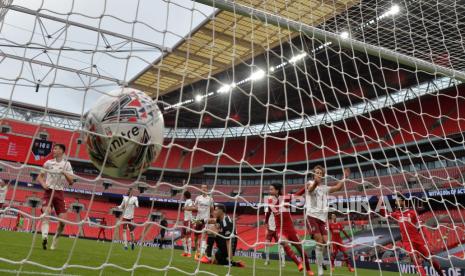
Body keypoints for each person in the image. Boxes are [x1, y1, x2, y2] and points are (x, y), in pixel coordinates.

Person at [296, 166, 351, 276]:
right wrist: (316, 183)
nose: (318, 174)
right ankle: (320, 268)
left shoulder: (325, 188)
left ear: (323, 175)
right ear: (314, 174)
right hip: (311, 216)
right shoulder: (309, 183)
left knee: (327, 244)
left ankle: (319, 259)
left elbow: (338, 187)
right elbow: (310, 189)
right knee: (319, 241)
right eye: (317, 172)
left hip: (322, 219)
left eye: (320, 173)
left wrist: (344, 177)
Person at [380, 192, 444, 276]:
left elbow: (420, 224)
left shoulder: (412, 212)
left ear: (403, 202)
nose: (396, 202)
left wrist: (425, 238)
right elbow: (385, 214)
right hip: (407, 242)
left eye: (398, 201)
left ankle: (441, 274)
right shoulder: (397, 214)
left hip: (418, 241)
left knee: (431, 260)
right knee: (415, 261)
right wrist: (380, 201)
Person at [266, 183, 313, 276]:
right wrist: (266, 222)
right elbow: (268, 212)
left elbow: (297, 195)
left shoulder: (285, 198)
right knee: (282, 242)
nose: (269, 191)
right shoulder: (269, 201)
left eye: (271, 189)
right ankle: (298, 263)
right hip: (280, 229)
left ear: (277, 190)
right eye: (269, 189)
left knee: (300, 249)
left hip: (290, 229)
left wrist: (305, 187)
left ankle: (308, 269)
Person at [37, 144, 74, 250]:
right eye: (53, 148)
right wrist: (44, 184)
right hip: (48, 192)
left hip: (59, 193)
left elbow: (71, 181)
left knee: (63, 222)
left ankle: (55, 240)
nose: (53, 150)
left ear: (62, 151)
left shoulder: (67, 164)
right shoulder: (48, 163)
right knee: (46, 214)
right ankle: (45, 238)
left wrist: (65, 173)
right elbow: (39, 177)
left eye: (56, 148)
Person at [192, 184, 214, 260]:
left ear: (207, 189)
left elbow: (212, 210)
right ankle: (197, 249)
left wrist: (213, 219)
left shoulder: (210, 199)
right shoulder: (198, 198)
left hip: (206, 219)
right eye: (202, 188)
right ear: (200, 189)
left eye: (205, 188)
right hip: (198, 219)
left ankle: (202, 253)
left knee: (204, 235)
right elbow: (195, 208)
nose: (203, 189)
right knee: (196, 236)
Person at [264, 194, 286, 267]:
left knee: (280, 245)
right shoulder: (267, 209)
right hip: (270, 229)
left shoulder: (279, 208)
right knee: (266, 244)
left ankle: (283, 262)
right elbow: (266, 220)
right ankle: (267, 260)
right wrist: (266, 229)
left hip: (277, 229)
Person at [181, 190, 194, 257]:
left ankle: (189, 253)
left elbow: (191, 208)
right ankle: (185, 252)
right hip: (185, 220)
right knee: (182, 236)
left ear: (185, 196)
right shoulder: (186, 201)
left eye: (184, 195)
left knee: (188, 236)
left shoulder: (190, 201)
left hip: (189, 220)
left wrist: (184, 208)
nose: (183, 196)